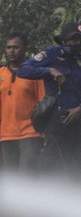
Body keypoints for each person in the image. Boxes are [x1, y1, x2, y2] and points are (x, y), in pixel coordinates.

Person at [16, 22, 81, 175]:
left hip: (75, 119)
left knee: (75, 164)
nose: (76, 43)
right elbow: (23, 70)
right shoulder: (51, 54)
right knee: (50, 162)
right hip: (56, 118)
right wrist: (50, 70)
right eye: (73, 39)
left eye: (79, 40)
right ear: (64, 40)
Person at [0, 32, 45, 171]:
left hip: (30, 132)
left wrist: (44, 132)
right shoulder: (1, 73)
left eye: (16, 47)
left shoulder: (35, 72)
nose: (12, 51)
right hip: (6, 134)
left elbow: (43, 103)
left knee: (28, 178)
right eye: (8, 47)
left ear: (24, 48)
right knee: (10, 180)